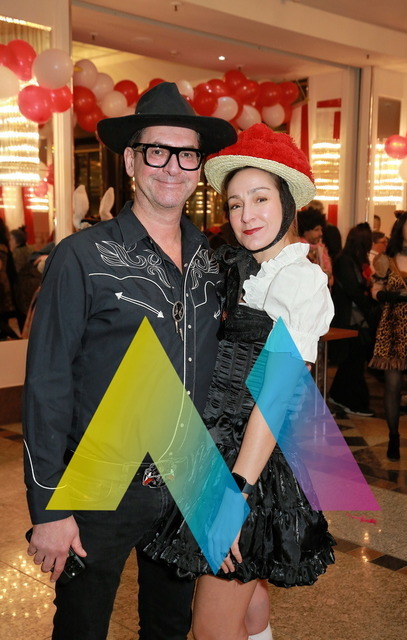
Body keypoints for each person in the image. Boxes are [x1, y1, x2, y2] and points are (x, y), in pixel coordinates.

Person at [23, 81, 238, 640]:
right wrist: (49, 509)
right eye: (157, 151)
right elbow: (47, 383)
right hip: (99, 478)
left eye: (187, 154)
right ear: (130, 160)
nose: (173, 167)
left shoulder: (213, 263)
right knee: (82, 627)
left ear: (199, 166)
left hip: (187, 477)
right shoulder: (83, 257)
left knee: (169, 627)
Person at [145, 123, 336, 640]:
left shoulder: (298, 279)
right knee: (249, 602)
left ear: (288, 203)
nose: (246, 215)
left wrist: (237, 492)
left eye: (260, 198)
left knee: (211, 626)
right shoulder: (251, 269)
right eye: (234, 204)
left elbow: (277, 396)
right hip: (223, 447)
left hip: (249, 463)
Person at [369, 210, 407, 460]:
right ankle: (394, 437)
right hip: (391, 329)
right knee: (392, 387)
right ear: (400, 228)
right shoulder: (387, 259)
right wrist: (383, 295)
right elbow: (376, 286)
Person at [328, 223, 380, 417]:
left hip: (353, 317)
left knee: (352, 361)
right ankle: (350, 400)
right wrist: (369, 305)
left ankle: (340, 396)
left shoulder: (351, 261)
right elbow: (353, 291)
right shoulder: (346, 261)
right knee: (353, 360)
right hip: (349, 318)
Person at [297, 207, 333, 286]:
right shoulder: (298, 251)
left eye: (321, 229)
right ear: (305, 231)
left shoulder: (320, 250)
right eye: (316, 230)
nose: (321, 233)